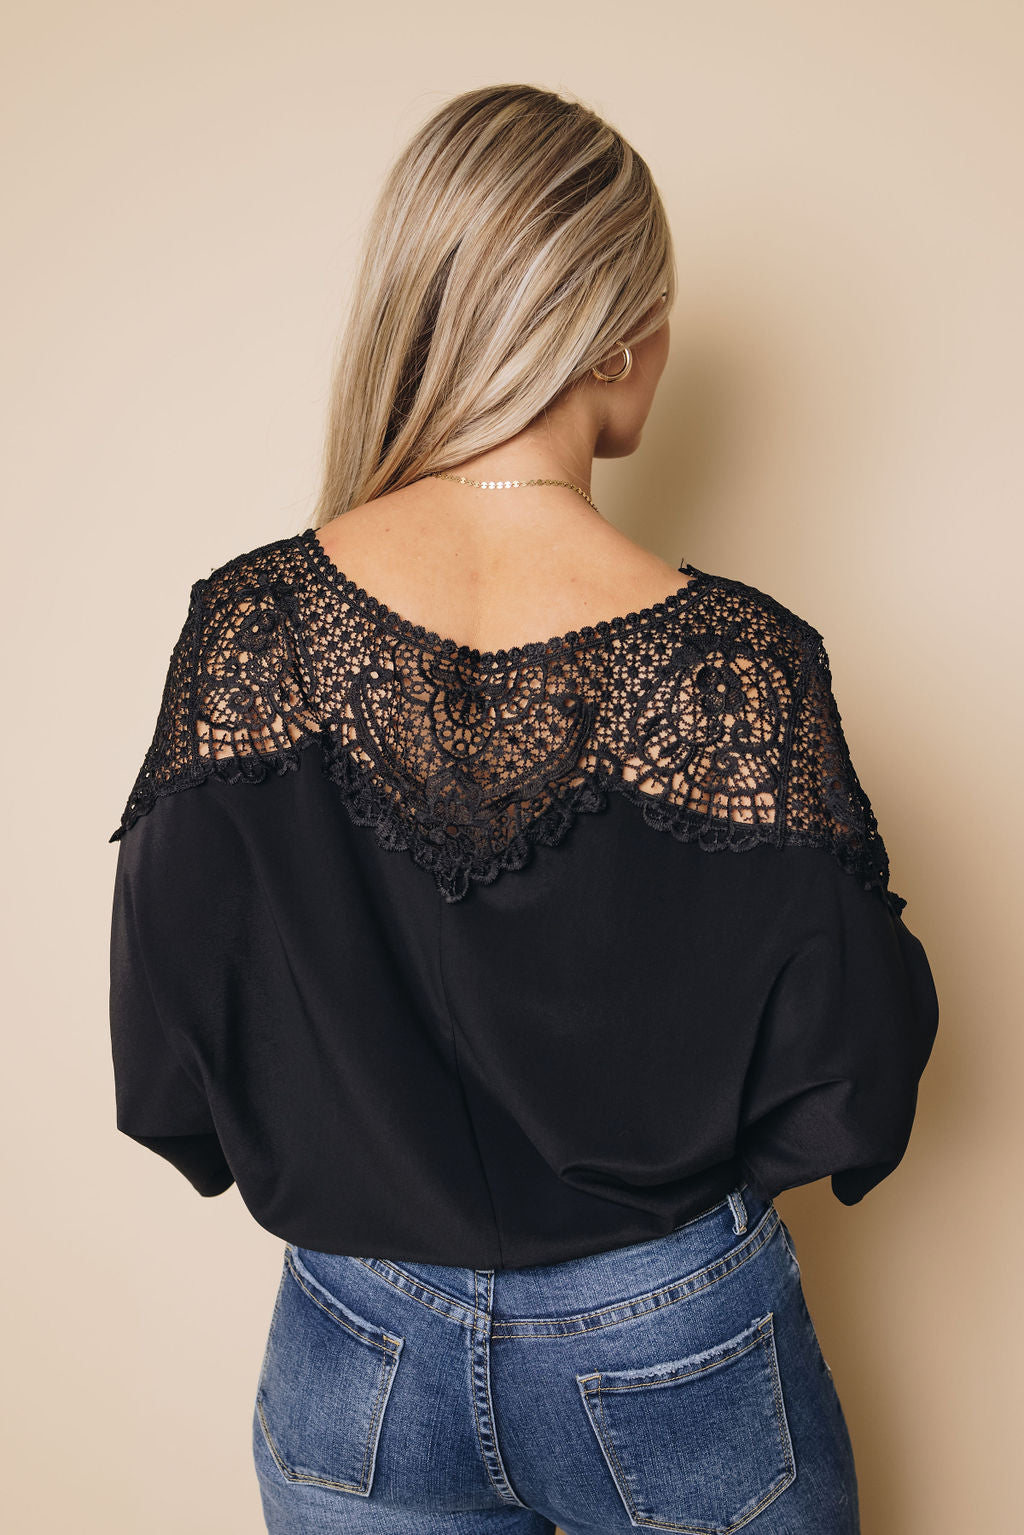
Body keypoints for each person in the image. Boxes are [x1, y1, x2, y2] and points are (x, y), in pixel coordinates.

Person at [107, 84, 939, 1535]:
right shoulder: (740, 667)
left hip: (357, 1336)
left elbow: (168, 1043)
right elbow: (854, 1076)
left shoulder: (250, 629)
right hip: (672, 1336)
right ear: (612, 336)